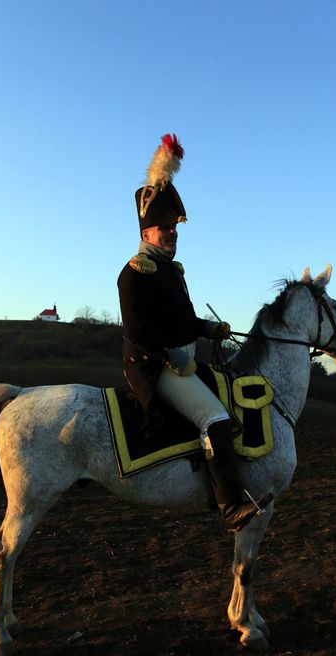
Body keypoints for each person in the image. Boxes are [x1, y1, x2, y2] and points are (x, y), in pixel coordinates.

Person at [117, 134, 270, 531]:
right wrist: (171, 355)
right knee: (215, 416)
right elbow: (136, 330)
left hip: (181, 359)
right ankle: (231, 505)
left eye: (174, 228)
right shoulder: (135, 274)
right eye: (165, 229)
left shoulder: (172, 272)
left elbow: (183, 323)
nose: (172, 234)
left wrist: (210, 329)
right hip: (155, 366)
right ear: (146, 232)